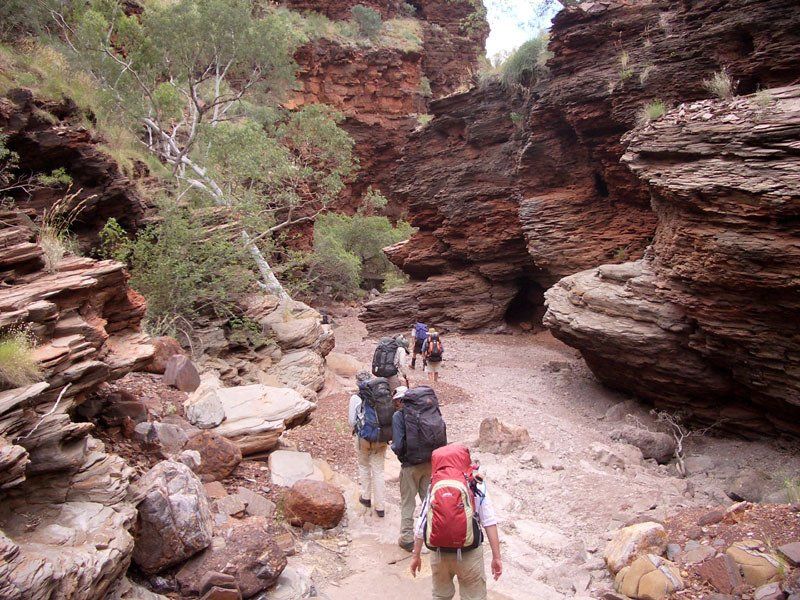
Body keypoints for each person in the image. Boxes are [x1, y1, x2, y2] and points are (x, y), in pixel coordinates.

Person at [410, 444, 503, 600]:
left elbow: (422, 522)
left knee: (441, 595)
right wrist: (497, 557)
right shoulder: (475, 484)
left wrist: (416, 555)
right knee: (474, 596)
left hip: (439, 553)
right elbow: (489, 521)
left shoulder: (434, 485)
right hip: (469, 552)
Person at [391, 385, 447, 552]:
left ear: (400, 400)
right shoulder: (428, 411)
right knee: (428, 499)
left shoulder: (399, 416)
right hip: (430, 461)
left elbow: (399, 444)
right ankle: (435, 532)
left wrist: (398, 451)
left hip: (410, 465)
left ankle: (407, 537)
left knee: (408, 501)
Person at [348, 370, 391, 517]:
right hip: (382, 437)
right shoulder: (382, 395)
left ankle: (366, 497)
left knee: (364, 466)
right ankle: (380, 507)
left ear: (357, 383)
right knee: (378, 471)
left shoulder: (356, 397)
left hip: (364, 438)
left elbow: (352, 421)